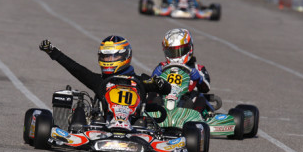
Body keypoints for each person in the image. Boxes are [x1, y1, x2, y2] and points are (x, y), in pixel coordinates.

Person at [39, 36, 171, 124]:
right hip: (102, 123)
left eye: (111, 57)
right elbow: (76, 69)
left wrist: (160, 84)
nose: (107, 61)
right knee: (81, 110)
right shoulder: (99, 81)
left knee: (149, 116)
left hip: (136, 124)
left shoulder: (140, 80)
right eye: (105, 57)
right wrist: (53, 52)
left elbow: (166, 89)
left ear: (125, 56)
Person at [151, 28, 211, 114]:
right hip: (164, 99)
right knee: (152, 95)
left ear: (189, 48)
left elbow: (206, 88)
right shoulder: (162, 67)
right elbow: (149, 86)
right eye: (172, 52)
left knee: (200, 98)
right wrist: (154, 76)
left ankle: (196, 119)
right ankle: (148, 116)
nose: (175, 56)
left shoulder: (198, 68)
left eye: (179, 51)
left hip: (187, 102)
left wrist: (199, 79)